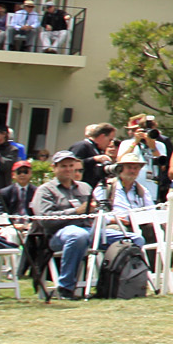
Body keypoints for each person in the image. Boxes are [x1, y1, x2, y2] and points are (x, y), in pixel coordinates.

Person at [35, 152, 106, 300]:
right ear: (54, 168)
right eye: (63, 166)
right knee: (78, 236)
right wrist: (76, 211)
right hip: (59, 234)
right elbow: (44, 219)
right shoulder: (45, 190)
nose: (68, 169)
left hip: (88, 229)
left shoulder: (85, 187)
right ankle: (65, 288)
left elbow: (96, 209)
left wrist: (95, 208)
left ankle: (116, 284)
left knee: (128, 238)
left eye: (71, 166)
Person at [67, 123, 118, 190]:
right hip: (78, 189)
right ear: (102, 136)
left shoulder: (97, 149)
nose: (110, 143)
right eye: (110, 140)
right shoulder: (82, 146)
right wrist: (94, 159)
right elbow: (71, 165)